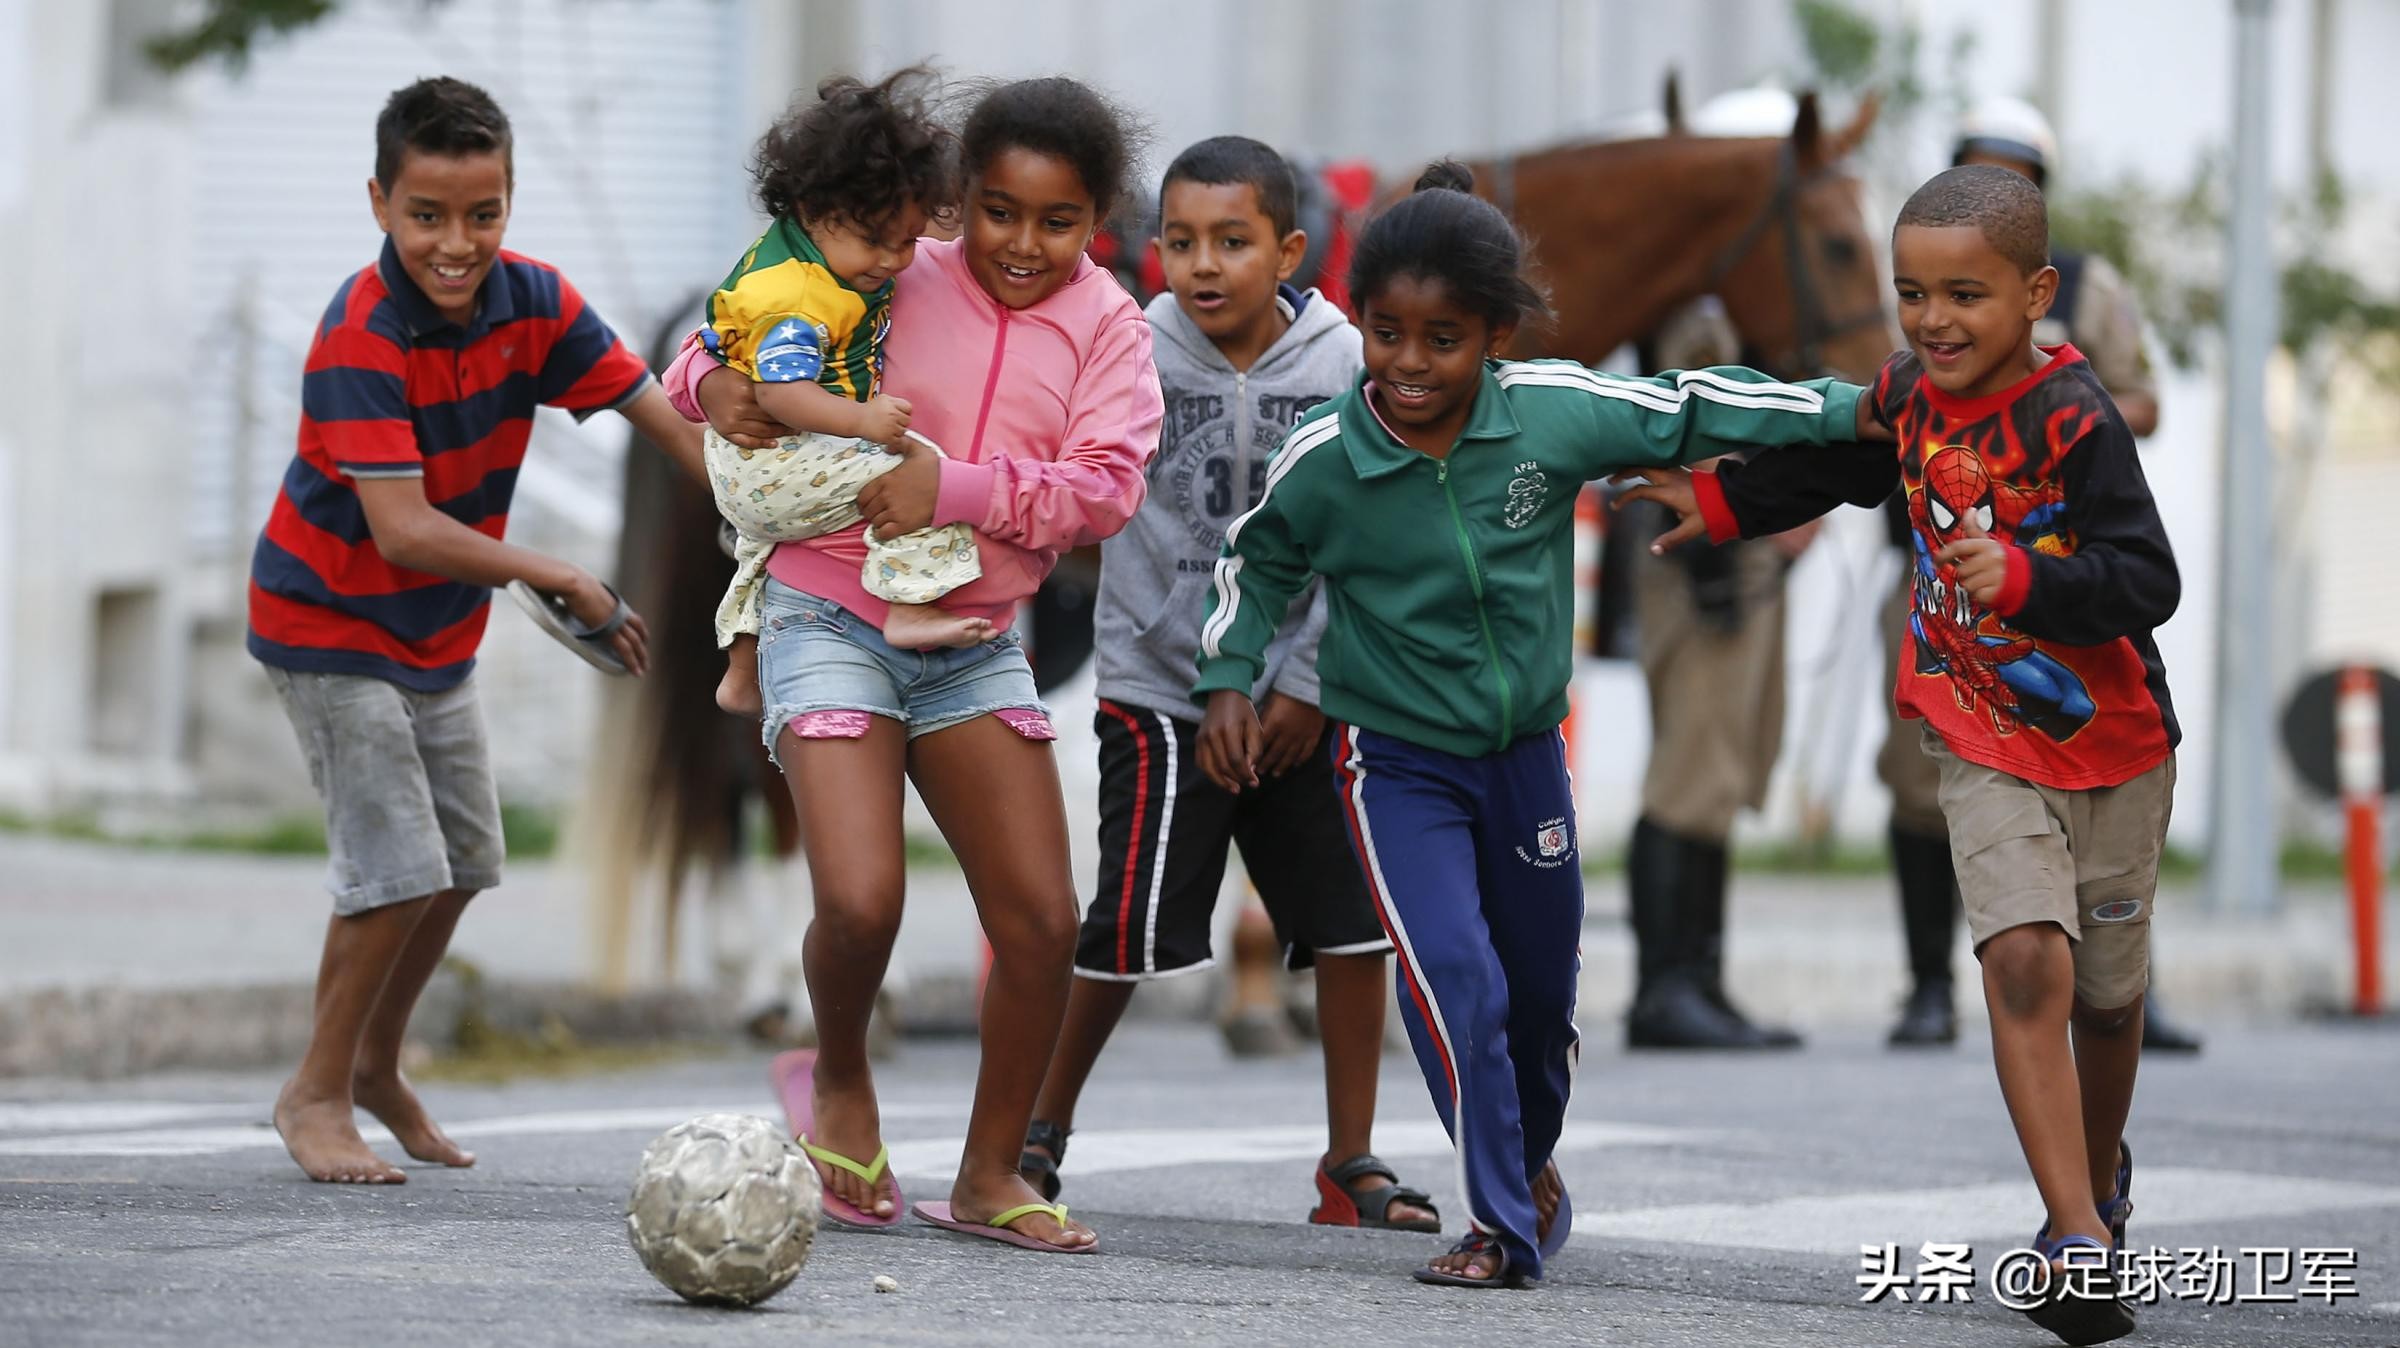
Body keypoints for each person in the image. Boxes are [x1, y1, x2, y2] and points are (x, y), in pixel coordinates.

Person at [1194, 163, 1882, 1287]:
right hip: (1394, 765)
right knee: (1457, 975)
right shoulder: (1327, 457)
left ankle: (1530, 1153)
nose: (1410, 365)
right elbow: (1256, 559)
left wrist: (1863, 405)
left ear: (1496, 338)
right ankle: (1500, 1228)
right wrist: (1230, 673)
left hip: (1523, 763)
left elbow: (1699, 402)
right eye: (1386, 334)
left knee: (1542, 1005)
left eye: (1443, 339)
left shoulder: (1552, 415)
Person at [1620, 165, 2176, 1344]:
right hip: (1975, 726)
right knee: (2027, 960)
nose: (1933, 321)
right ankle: (2075, 1235)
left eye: (1964, 295)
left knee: (2112, 1005)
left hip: (2113, 743)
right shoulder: (1913, 396)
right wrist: (1721, 505)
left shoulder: (2077, 418)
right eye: (1912, 292)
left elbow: (2149, 579)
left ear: (2035, 297)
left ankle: (2102, 1173)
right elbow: (1836, 466)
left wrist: (2030, 579)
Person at [665, 75, 1162, 1255]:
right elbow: (714, 343)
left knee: (1044, 920)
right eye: (997, 211)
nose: (1024, 244)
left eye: (1059, 221)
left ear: (1097, 220)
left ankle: (994, 1173)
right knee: (860, 896)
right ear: (955, 202)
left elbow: (1106, 490)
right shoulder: (892, 262)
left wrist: (959, 489)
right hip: (827, 614)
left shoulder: (1112, 328)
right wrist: (720, 388)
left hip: (971, 640)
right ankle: (838, 1076)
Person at [250, 77, 702, 1184]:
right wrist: (556, 574)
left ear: (508, 201)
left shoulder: (535, 302)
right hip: (328, 621)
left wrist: (768, 515)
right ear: (379, 203)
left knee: (460, 863)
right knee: (395, 867)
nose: (457, 243)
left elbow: (666, 422)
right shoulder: (360, 334)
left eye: (482, 213)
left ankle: (373, 1065)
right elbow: (401, 528)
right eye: (427, 215)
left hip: (434, 633)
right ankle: (312, 1091)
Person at [1012, 136, 1436, 1233]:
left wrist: (1302, 678)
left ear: (1289, 249)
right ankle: (1038, 1135)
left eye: (1234, 243)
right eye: (1183, 242)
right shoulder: (1126, 349)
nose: (1204, 265)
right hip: (1163, 694)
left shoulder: (1345, 365)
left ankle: (1349, 1160)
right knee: (1124, 925)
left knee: (1353, 930)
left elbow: (1368, 534)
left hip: (1313, 695)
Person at [1885, 95, 2195, 1056]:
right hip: (1945, 578)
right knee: (1921, 781)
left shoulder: (2091, 294)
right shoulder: (1926, 305)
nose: (1939, 315)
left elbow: (2144, 395)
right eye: (1981, 165)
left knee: (2099, 802)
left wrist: (2060, 394)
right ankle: (1930, 982)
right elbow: (1863, 418)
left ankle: (2121, 994)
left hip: (2056, 567)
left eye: (2019, 173)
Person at [704, 69, 993, 720]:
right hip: (773, 452)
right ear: (817, 208)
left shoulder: (789, 251)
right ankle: (912, 603)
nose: (895, 261)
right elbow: (782, 396)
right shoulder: (801, 299)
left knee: (761, 540)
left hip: (744, 467)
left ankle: (742, 668)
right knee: (922, 476)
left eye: (908, 241)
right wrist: (863, 421)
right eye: (876, 242)